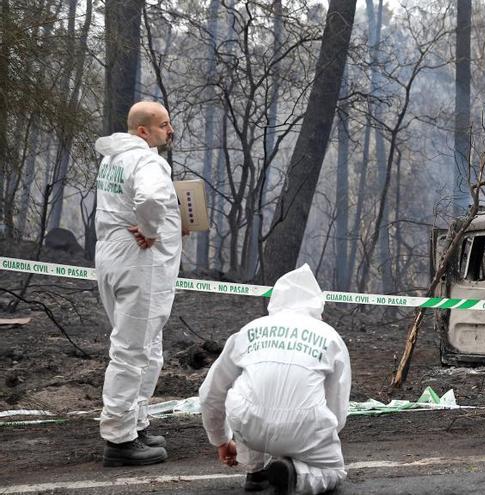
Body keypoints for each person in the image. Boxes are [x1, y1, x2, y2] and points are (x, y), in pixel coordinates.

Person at [199, 264, 351, 495]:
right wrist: (316, 439)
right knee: (334, 472)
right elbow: (337, 406)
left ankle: (255, 472)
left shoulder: (249, 331)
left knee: (246, 395)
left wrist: (221, 440)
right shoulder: (330, 337)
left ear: (276, 300)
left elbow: (211, 393)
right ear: (317, 303)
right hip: (304, 425)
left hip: (248, 425)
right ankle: (294, 474)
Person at [94, 101, 183, 467]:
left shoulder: (113, 159)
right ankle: (119, 439)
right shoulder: (148, 160)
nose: (170, 130)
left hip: (112, 257)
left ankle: (135, 422)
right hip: (139, 262)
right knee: (132, 351)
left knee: (147, 347)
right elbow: (148, 198)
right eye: (164, 125)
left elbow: (130, 201)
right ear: (143, 131)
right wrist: (149, 230)